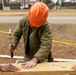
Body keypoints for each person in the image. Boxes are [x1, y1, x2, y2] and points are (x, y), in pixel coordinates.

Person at [8, 2, 52, 69]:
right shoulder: (23, 21)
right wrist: (13, 44)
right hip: (27, 55)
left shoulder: (46, 27)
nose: (33, 25)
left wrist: (35, 59)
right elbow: (17, 34)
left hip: (41, 57)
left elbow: (46, 45)